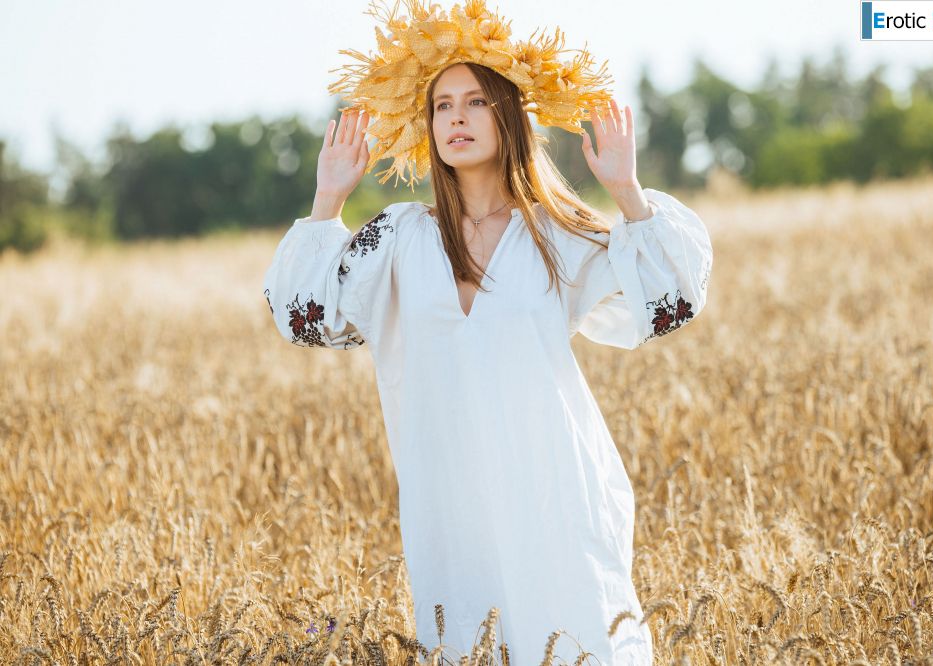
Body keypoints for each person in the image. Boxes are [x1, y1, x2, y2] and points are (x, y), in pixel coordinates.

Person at [263, 3, 713, 664]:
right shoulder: (398, 237)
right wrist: (327, 201)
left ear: (507, 114)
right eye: (443, 105)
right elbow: (308, 317)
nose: (457, 118)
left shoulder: (556, 233)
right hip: (449, 507)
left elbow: (670, 300)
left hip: (553, 493)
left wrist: (628, 191)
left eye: (475, 101)